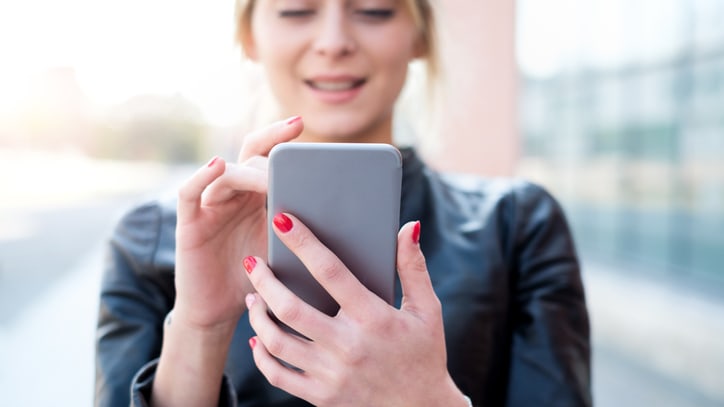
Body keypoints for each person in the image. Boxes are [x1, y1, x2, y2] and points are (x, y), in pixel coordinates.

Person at [94, 0, 591, 406]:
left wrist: (429, 401)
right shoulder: (157, 234)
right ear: (250, 36)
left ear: (419, 35)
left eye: (374, 10)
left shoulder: (517, 223)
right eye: (295, 10)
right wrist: (201, 326)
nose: (334, 42)